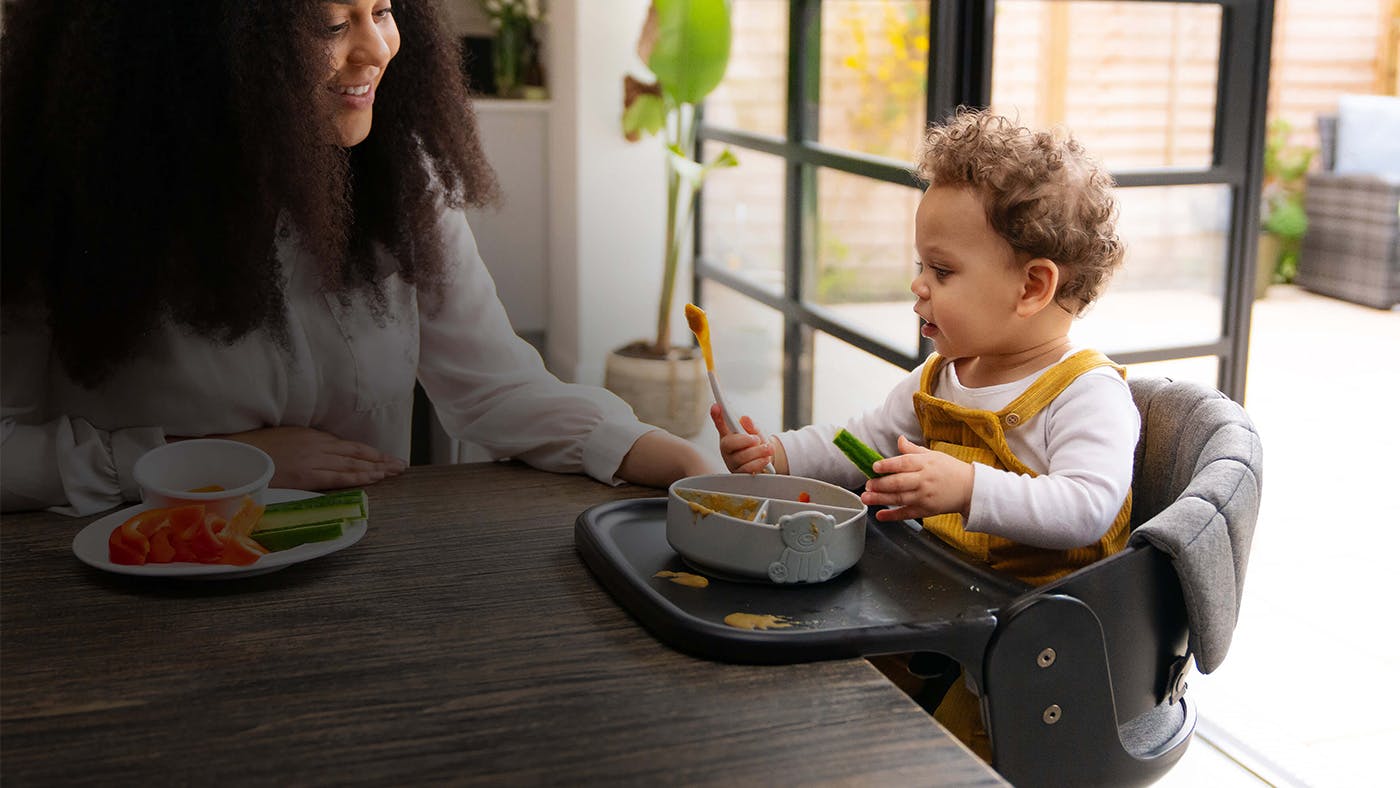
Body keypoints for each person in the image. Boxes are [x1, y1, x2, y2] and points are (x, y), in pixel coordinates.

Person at [1, 0, 714, 516]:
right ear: (206, 49)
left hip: (364, 591)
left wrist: (672, 458)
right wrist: (199, 462)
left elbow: (496, 388)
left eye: (383, 10)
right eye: (333, 25)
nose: (375, 49)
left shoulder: (404, 181)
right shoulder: (59, 200)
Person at [711, 108, 1139, 760]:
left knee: (948, 752)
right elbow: (864, 439)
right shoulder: (944, 374)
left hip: (1032, 642)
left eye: (941, 272)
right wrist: (777, 454)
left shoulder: (1085, 393)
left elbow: (1087, 507)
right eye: (922, 266)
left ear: (1032, 286)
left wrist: (968, 486)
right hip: (938, 603)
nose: (918, 286)